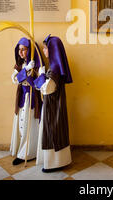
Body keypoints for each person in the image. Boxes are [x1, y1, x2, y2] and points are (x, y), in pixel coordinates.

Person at [34, 35, 72, 173]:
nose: (44, 51)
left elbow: (46, 89)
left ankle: (54, 163)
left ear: (53, 49)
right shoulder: (55, 66)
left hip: (53, 106)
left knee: (53, 131)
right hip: (56, 104)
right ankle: (60, 160)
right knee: (56, 130)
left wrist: (41, 77)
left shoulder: (55, 68)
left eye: (45, 48)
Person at [9, 37, 42, 165]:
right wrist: (25, 69)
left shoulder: (36, 65)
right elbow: (15, 79)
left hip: (32, 98)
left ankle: (28, 153)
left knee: (30, 125)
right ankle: (20, 150)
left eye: (24, 50)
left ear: (30, 51)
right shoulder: (21, 64)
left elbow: (39, 83)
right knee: (21, 125)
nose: (21, 53)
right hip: (22, 97)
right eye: (19, 50)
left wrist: (34, 71)